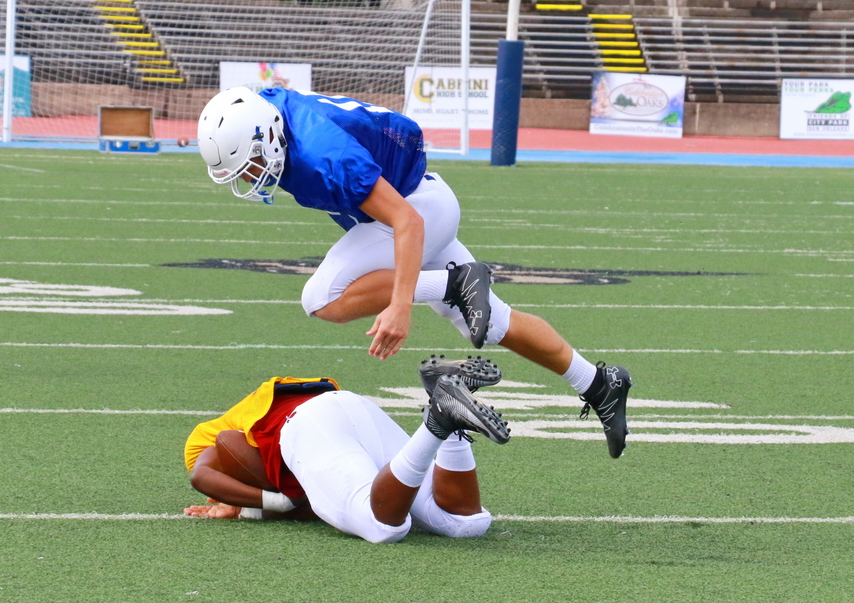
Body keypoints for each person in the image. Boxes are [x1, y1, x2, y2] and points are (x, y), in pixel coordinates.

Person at [196, 86, 632, 458]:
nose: (251, 174)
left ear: (270, 136)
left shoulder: (323, 155)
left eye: (252, 161)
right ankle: (597, 383)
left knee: (322, 298)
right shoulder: (264, 109)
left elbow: (408, 222)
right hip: (418, 204)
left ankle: (456, 283)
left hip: (417, 212)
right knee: (494, 323)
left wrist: (402, 303)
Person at [183, 357, 509, 543]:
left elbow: (204, 471)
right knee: (464, 524)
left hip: (308, 424)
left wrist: (271, 503)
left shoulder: (208, 439)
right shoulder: (249, 420)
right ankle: (447, 417)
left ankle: (437, 420)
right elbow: (312, 503)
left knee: (380, 526)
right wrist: (249, 509)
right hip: (353, 410)